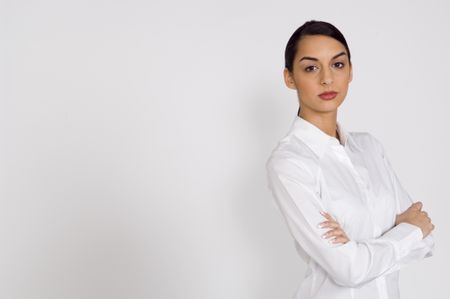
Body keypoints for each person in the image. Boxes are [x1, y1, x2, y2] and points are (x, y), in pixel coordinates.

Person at [265, 20, 435, 299]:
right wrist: (404, 230)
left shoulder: (369, 148)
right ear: (289, 78)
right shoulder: (289, 163)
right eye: (311, 67)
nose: (327, 79)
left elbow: (426, 238)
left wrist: (360, 246)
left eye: (338, 65)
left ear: (351, 71)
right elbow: (348, 270)